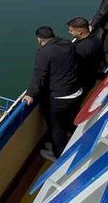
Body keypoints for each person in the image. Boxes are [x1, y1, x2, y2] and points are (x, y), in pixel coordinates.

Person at [23, 26, 82, 162]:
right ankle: (73, 140)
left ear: (39, 39)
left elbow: (39, 76)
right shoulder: (68, 43)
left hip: (60, 96)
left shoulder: (44, 52)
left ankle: (59, 156)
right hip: (76, 91)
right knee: (70, 119)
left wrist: (30, 93)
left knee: (57, 128)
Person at [67, 17, 105, 95]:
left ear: (80, 32)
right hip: (96, 71)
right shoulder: (96, 39)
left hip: (86, 79)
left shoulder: (80, 48)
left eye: (71, 31)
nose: (69, 32)